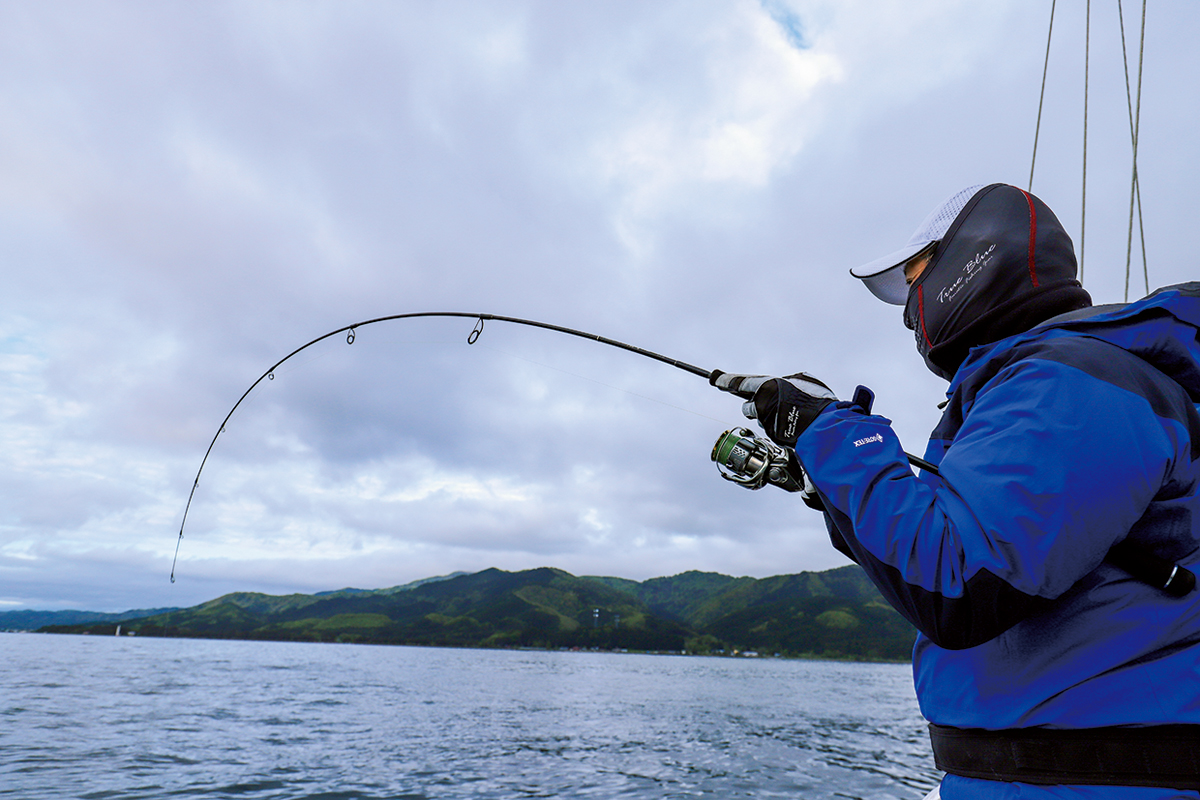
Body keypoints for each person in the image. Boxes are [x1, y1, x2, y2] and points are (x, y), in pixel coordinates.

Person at [712, 183, 1200, 798]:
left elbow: (960, 578)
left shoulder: (1072, 380)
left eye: (914, 277)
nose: (908, 310)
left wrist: (831, 438)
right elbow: (950, 547)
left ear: (973, 258)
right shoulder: (1047, 381)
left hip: (1092, 778)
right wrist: (828, 481)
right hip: (1042, 772)